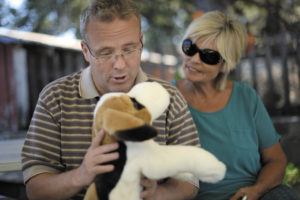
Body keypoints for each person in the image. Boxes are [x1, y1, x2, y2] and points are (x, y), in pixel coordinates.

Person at [21, 0, 201, 199]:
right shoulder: (55, 98)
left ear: (141, 43)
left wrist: (157, 193)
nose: (120, 65)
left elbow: (189, 180)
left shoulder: (169, 98)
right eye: (105, 53)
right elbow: (35, 190)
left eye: (130, 49)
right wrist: (81, 176)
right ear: (86, 51)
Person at [173, 11, 300, 200]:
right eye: (189, 47)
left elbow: (276, 160)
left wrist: (256, 190)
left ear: (225, 63)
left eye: (208, 56)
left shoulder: (246, 97)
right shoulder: (167, 98)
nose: (194, 59)